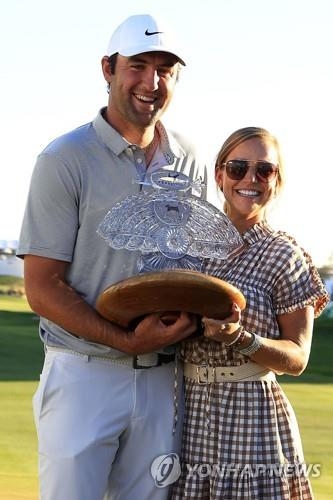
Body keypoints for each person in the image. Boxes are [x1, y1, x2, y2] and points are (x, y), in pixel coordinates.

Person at [17, 14, 207, 500]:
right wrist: (124, 341)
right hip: (84, 374)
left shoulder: (190, 158)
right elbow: (41, 287)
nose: (152, 82)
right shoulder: (64, 158)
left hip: (166, 378)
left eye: (165, 69)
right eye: (137, 66)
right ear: (107, 68)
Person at [171, 127, 329, 499]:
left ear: (277, 182)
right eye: (239, 167)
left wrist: (239, 338)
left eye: (264, 170)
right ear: (219, 175)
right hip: (185, 414)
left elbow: (297, 357)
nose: (250, 179)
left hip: (252, 417)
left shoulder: (285, 255)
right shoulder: (187, 249)